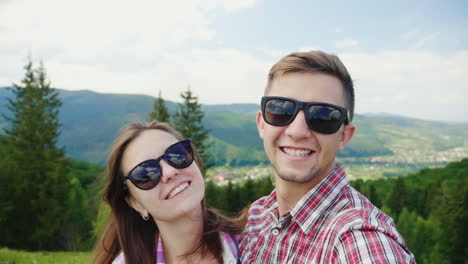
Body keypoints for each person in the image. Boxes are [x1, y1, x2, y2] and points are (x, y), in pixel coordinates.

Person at [239, 51, 416, 263]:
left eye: (323, 116)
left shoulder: (359, 237)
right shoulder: (258, 217)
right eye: (281, 110)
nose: (297, 131)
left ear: (344, 136)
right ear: (261, 124)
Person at [92, 121, 241, 264]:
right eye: (146, 174)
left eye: (177, 154)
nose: (169, 171)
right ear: (135, 202)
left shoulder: (254, 246)